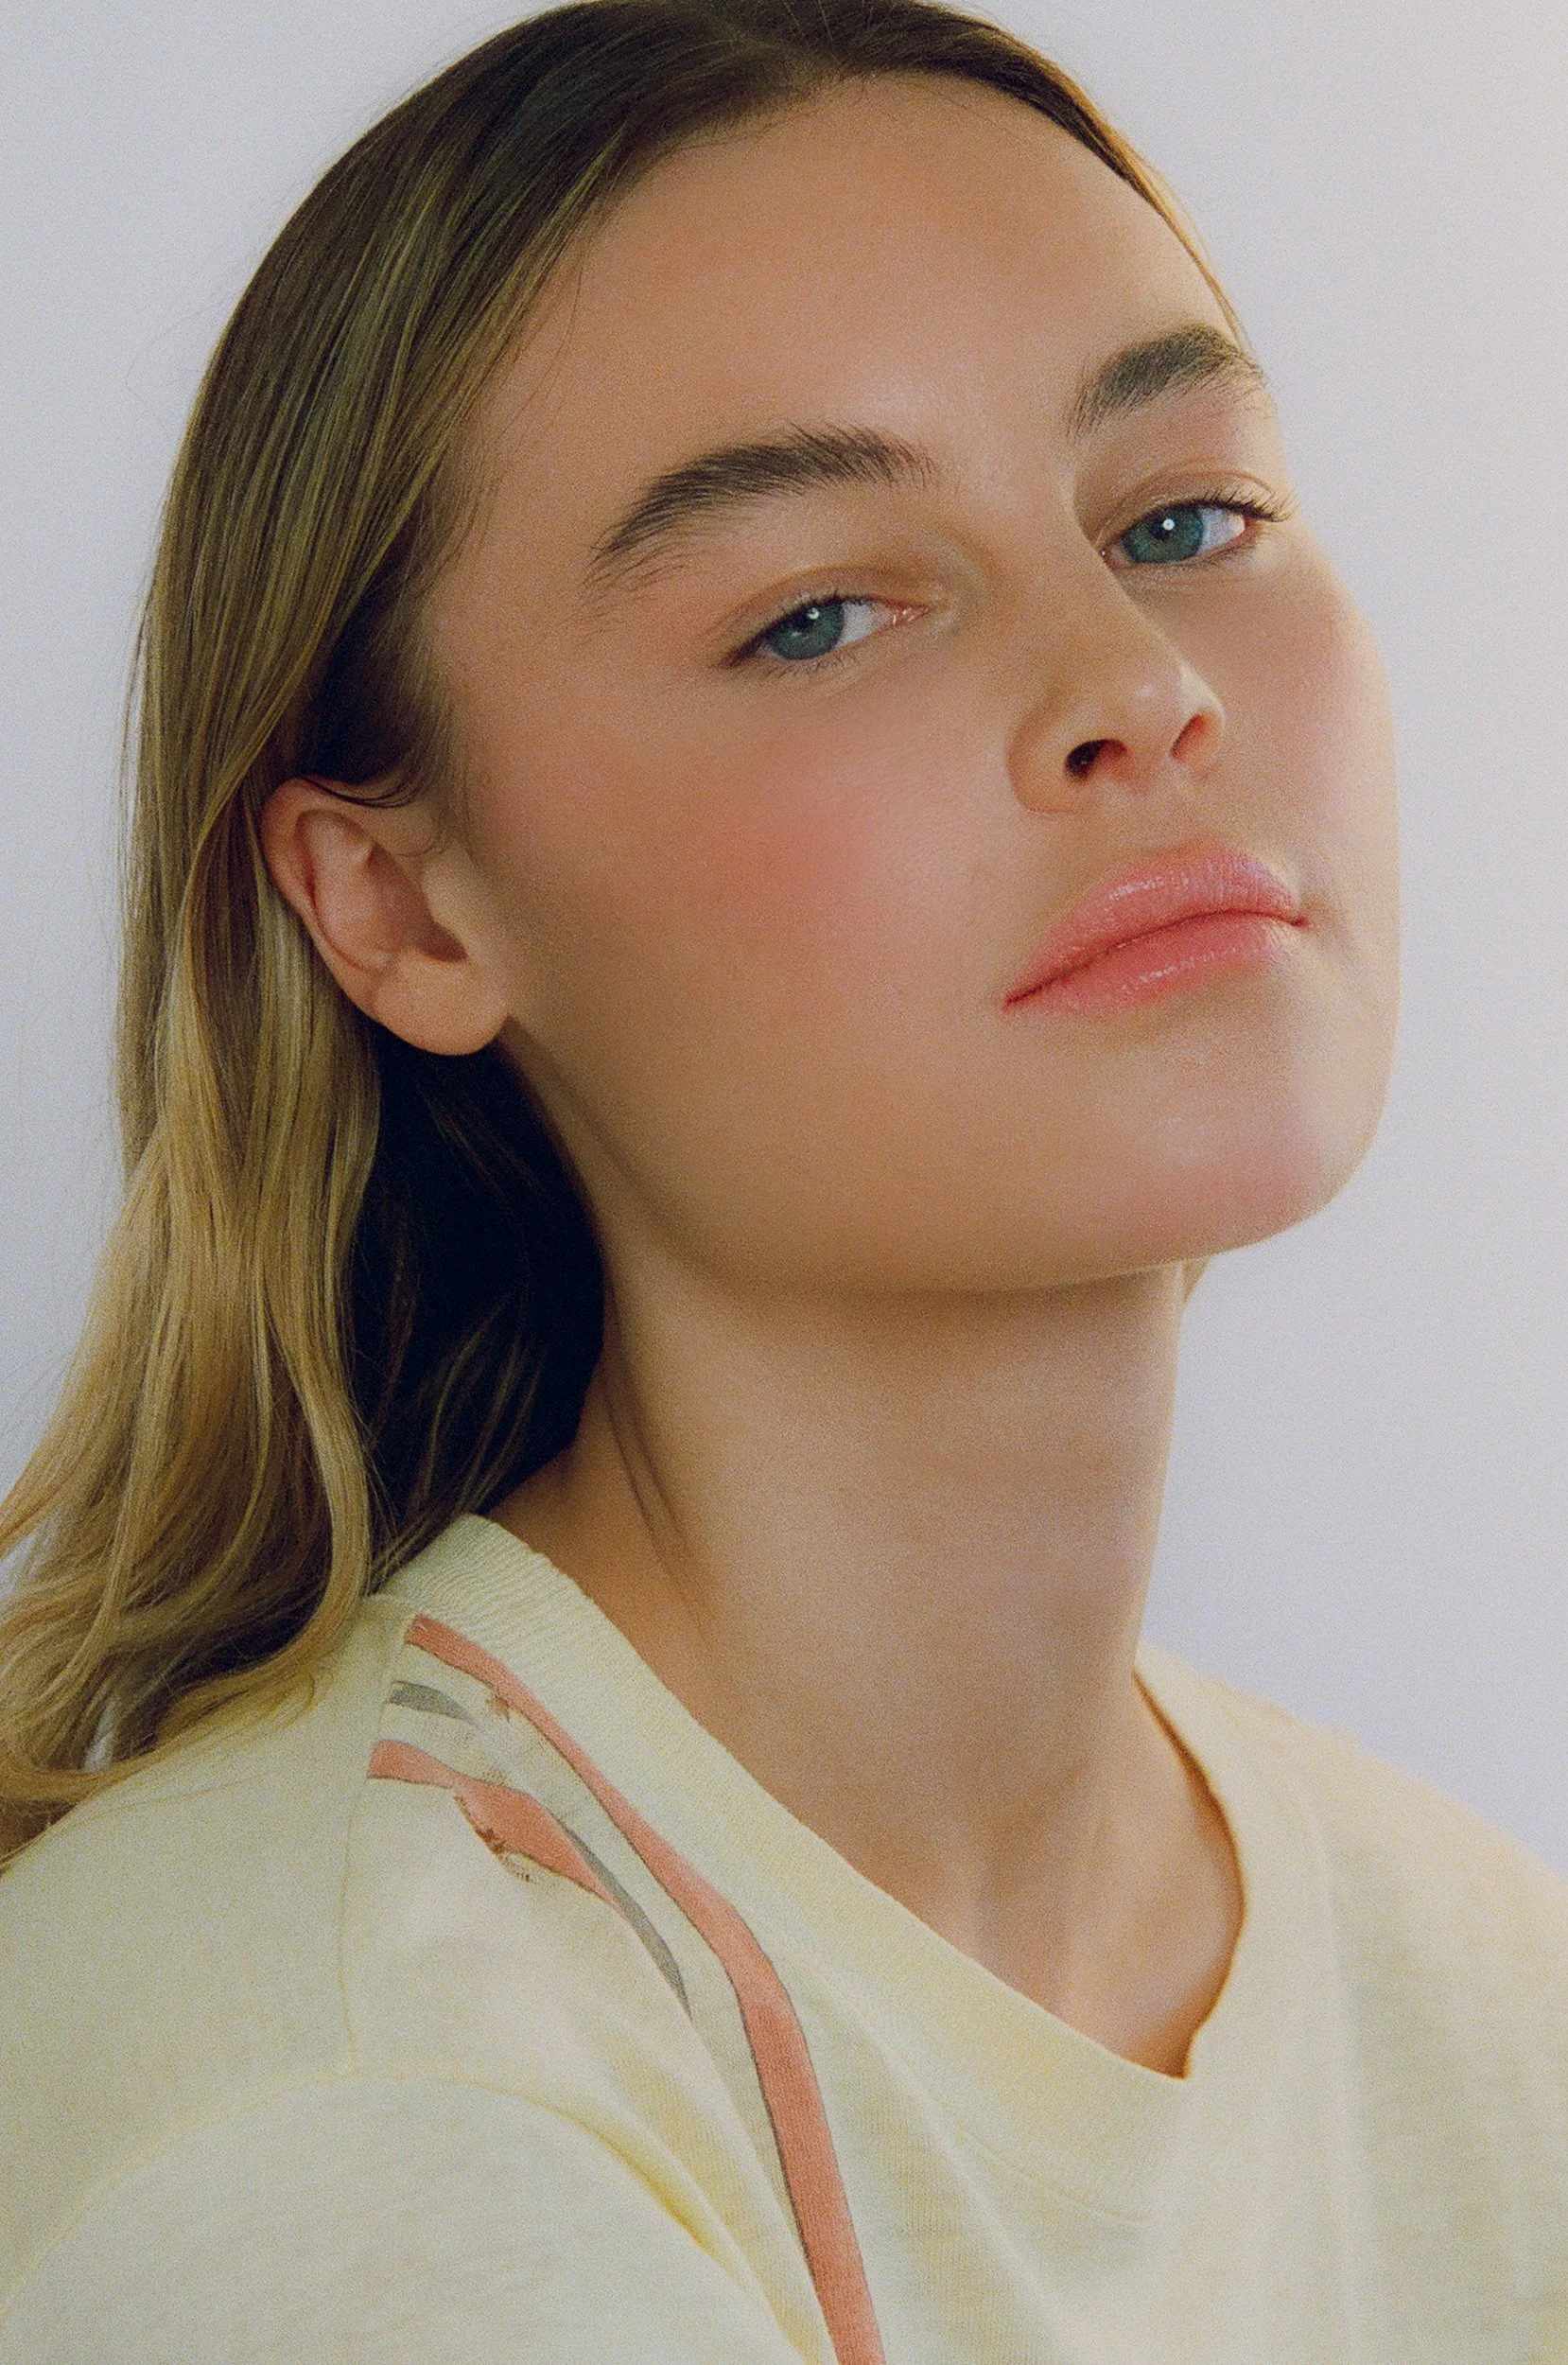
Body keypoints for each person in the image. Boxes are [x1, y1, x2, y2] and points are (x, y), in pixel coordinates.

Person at [1, 0, 1564, 2355]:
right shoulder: (345, 2112)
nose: (1137, 674)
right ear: (400, 905)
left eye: (1182, 514)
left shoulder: (1473, 1988)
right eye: (818, 610)